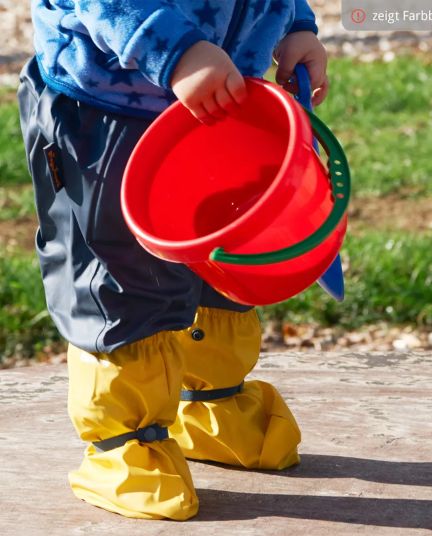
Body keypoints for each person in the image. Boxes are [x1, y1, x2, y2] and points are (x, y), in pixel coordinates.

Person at [18, 0, 328, 521]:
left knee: (222, 253)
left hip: (222, 97)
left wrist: (294, 22)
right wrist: (175, 49)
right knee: (120, 277)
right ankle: (124, 444)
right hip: (106, 107)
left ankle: (211, 403)